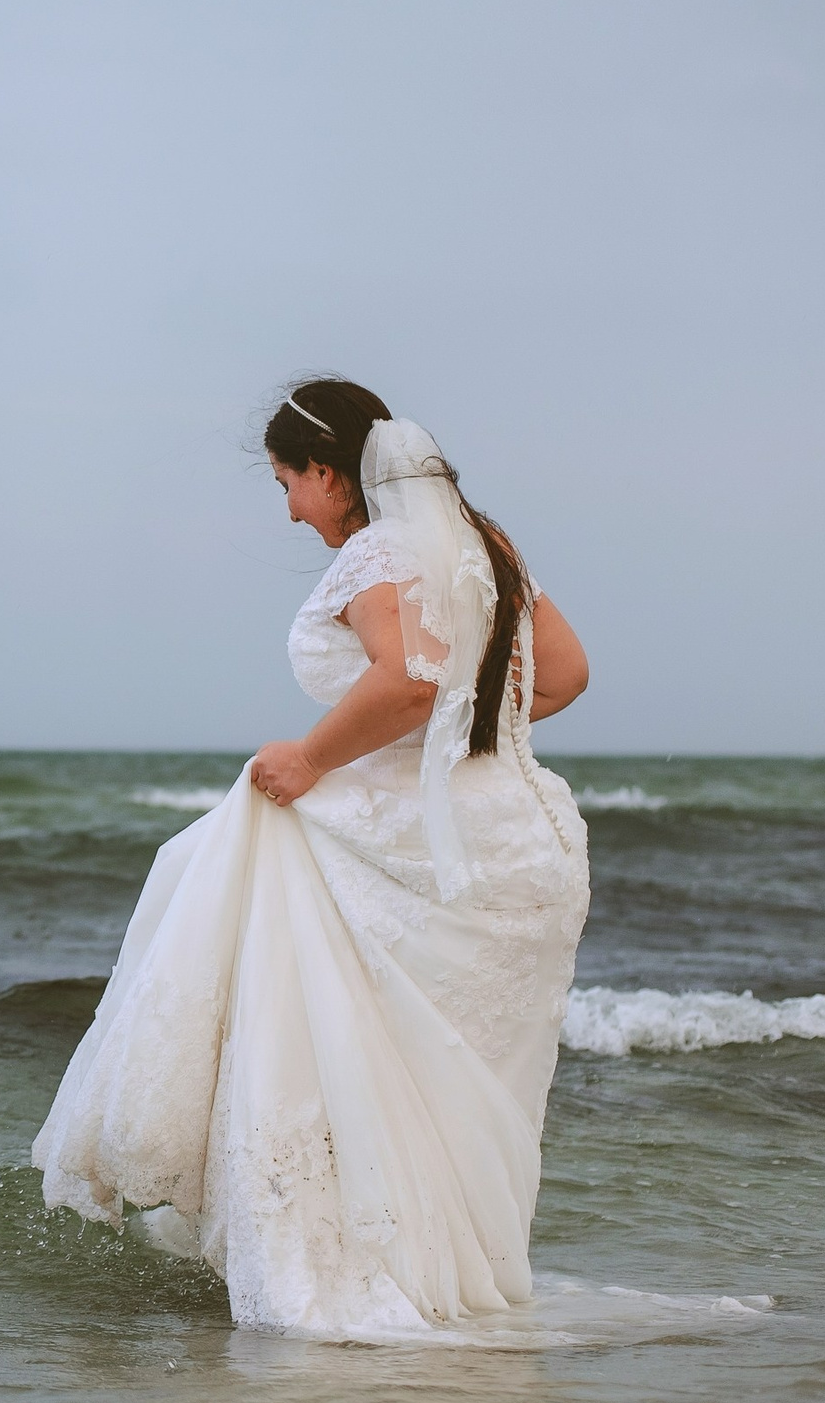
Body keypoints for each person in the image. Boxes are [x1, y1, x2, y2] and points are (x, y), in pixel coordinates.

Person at [31, 378, 592, 1335]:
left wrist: (309, 756)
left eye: (289, 480)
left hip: (420, 851)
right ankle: (452, 1283)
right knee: (442, 1087)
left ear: (331, 473)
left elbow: (411, 680)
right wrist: (471, 724)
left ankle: (358, 1286)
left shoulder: (380, 549)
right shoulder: (487, 547)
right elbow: (566, 674)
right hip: (521, 847)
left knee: (345, 1057)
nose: (290, 506)